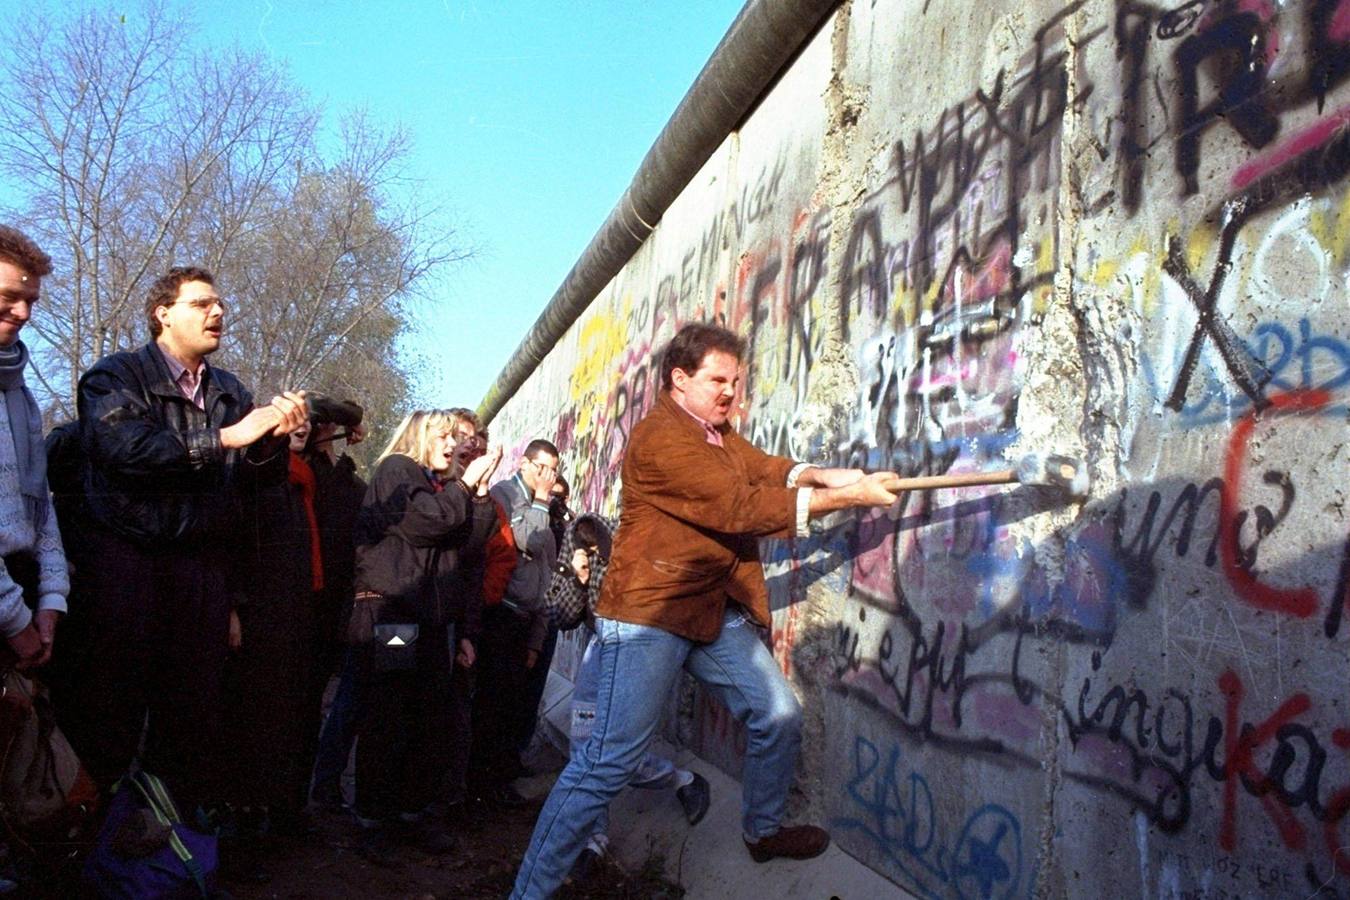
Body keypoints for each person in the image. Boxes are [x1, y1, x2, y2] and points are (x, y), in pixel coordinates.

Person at [511, 323, 906, 898]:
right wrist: (843, 499)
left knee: (777, 717)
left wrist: (823, 474)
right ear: (679, 379)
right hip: (649, 614)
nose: (730, 392)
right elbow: (737, 505)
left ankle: (762, 829)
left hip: (708, 612)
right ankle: (527, 892)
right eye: (717, 380)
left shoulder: (714, 433)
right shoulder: (660, 439)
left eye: (736, 381)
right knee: (605, 764)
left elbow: (762, 469)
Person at [51, 266, 306, 815]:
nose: (218, 313)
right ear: (162, 314)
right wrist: (226, 438)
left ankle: (174, 854)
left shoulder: (230, 389)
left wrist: (272, 443)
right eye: (202, 304)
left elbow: (252, 489)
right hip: (124, 566)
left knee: (191, 722)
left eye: (220, 304)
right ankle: (91, 853)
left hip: (201, 574)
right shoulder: (113, 378)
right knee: (108, 717)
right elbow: (127, 451)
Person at [350, 409, 501, 853]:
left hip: (432, 621)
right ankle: (373, 820)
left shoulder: (440, 487)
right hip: (394, 615)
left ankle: (410, 813)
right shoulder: (397, 471)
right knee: (389, 715)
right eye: (444, 436)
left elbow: (469, 546)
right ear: (420, 437)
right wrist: (463, 487)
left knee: (425, 719)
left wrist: (480, 498)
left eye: (457, 438)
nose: (454, 445)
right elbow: (425, 524)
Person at [555, 515, 710, 884]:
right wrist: (576, 578)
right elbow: (559, 614)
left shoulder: (637, 537)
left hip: (639, 650)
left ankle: (683, 780)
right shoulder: (580, 534)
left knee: (614, 752)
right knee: (582, 746)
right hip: (600, 648)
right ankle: (594, 839)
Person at [475, 439, 559, 806]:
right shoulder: (505, 495)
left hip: (527, 619)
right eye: (543, 468)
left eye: (554, 470)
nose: (549, 477)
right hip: (502, 616)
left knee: (514, 706)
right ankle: (480, 787)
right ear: (525, 464)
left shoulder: (544, 503)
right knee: (492, 705)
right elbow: (529, 540)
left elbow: (545, 571)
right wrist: (541, 500)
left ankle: (501, 776)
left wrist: (537, 638)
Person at [0, 226, 69, 669]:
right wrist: (12, 618)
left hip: (19, 592)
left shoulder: (21, 394)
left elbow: (37, 502)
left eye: (33, 301)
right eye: (9, 296)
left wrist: (52, 594)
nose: (24, 312)